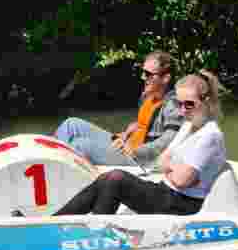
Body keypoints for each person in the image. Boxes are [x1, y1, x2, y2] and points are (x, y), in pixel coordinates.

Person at [52, 71, 227, 217]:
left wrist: (171, 167)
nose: (182, 111)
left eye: (188, 104)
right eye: (178, 103)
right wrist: (175, 168)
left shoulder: (209, 135)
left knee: (116, 179)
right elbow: (162, 161)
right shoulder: (189, 126)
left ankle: (94, 231)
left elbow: (180, 180)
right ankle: (57, 221)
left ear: (207, 101)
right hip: (166, 191)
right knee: (108, 179)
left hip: (180, 204)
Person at [53, 51, 183, 167]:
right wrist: (126, 134)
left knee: (79, 145)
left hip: (139, 159)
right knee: (71, 124)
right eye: (143, 72)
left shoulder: (173, 104)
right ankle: (49, 162)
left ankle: (59, 172)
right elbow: (143, 123)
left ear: (166, 78)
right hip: (125, 144)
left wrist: (134, 150)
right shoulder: (148, 96)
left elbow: (168, 141)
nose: (143, 77)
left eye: (148, 74)